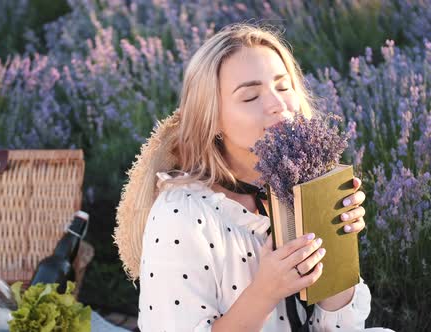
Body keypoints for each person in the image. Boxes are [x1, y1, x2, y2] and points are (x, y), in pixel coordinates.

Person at [113, 23, 395, 332]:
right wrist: (266, 291)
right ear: (212, 119)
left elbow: (341, 326)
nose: (278, 105)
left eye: (284, 86)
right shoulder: (183, 213)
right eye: (250, 97)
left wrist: (338, 247)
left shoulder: (305, 186)